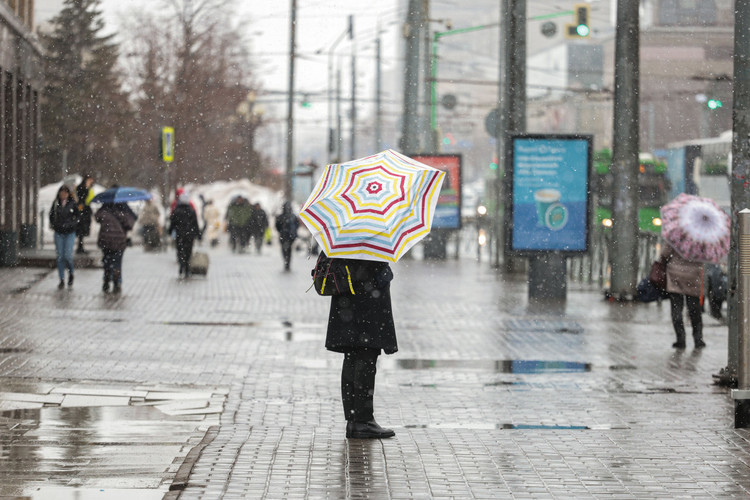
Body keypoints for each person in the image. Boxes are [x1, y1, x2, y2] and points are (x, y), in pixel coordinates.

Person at [325, 255, 397, 439]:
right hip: (365, 299)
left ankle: (355, 419)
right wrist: (382, 272)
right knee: (365, 357)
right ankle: (362, 421)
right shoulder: (369, 234)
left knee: (353, 356)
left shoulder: (347, 233)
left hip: (351, 299)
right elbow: (367, 267)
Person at [661, 244, 705, 349]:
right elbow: (705, 256)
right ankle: (698, 339)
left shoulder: (676, 236)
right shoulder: (700, 239)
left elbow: (664, 254)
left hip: (675, 275)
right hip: (693, 276)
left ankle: (680, 339)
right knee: (694, 310)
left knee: (676, 309)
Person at [96, 199, 137, 293]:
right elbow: (129, 224)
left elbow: (97, 217)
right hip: (119, 241)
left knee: (107, 262)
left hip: (105, 239)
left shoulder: (105, 207)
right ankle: (116, 283)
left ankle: (106, 280)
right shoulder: (123, 208)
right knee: (117, 263)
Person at [49, 185, 80, 289]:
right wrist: (55, 224)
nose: (63, 194)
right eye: (62, 192)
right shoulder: (55, 203)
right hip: (59, 233)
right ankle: (61, 279)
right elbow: (51, 215)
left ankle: (71, 273)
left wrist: (71, 224)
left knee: (68, 256)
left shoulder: (72, 204)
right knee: (60, 257)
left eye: (65, 192)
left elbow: (77, 217)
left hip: (69, 233)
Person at [169, 192, 201, 277]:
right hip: (189, 235)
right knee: (188, 252)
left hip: (179, 235)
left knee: (180, 250)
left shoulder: (177, 210)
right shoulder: (191, 210)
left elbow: (173, 223)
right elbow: (195, 224)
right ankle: (186, 268)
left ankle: (181, 265)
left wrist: (170, 230)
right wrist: (198, 234)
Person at [275, 201, 299, 270]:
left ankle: (287, 261)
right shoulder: (291, 216)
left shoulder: (284, 216)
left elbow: (277, 226)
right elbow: (277, 226)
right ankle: (287, 262)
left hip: (286, 236)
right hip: (288, 236)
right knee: (287, 249)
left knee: (285, 249)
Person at [75, 174, 95, 254]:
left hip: (86, 210)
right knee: (81, 230)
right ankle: (80, 247)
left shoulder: (88, 188)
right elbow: (81, 199)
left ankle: (81, 247)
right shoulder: (82, 188)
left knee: (83, 230)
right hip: (82, 210)